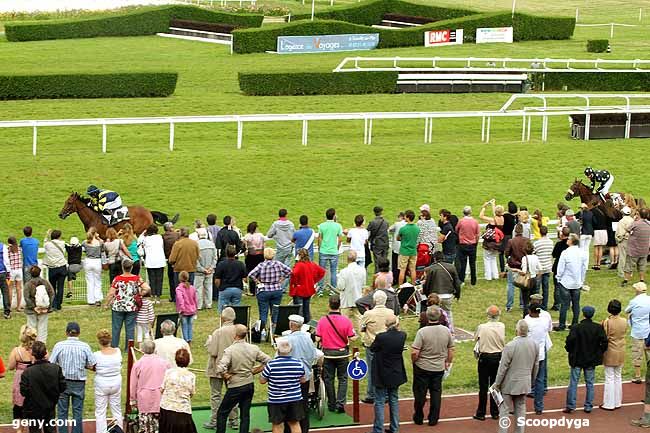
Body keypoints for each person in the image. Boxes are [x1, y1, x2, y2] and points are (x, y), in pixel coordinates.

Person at [215, 324, 272, 433]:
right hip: (249, 385)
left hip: (235, 386)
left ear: (235, 335)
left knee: (222, 413)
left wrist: (225, 375)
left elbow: (220, 368)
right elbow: (269, 360)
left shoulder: (230, 350)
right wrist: (255, 371)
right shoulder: (253, 348)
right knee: (245, 414)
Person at [50, 322, 96, 433]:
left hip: (62, 382)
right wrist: (83, 365)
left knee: (62, 411)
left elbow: (51, 363)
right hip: (79, 382)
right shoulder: (85, 346)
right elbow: (92, 365)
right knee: (78, 411)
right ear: (79, 333)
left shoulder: (59, 345)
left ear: (66, 332)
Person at [411, 306, 454, 426]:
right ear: (439, 316)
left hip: (423, 366)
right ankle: (433, 418)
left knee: (420, 393)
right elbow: (451, 348)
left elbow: (415, 351)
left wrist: (414, 361)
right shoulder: (446, 331)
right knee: (436, 393)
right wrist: (448, 362)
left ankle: (418, 416)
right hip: (438, 367)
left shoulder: (422, 332)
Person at [494, 320, 539, 433]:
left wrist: (497, 383)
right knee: (521, 409)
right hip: (524, 382)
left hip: (509, 384)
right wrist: (532, 380)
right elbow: (536, 365)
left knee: (504, 411)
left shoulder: (510, 346)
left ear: (516, 331)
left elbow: (502, 367)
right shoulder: (535, 344)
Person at [563, 306, 608, 413]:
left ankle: (571, 405)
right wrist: (599, 352)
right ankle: (588, 405)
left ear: (583, 314)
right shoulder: (597, 327)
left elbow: (569, 341)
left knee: (573, 382)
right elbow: (604, 342)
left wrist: (569, 350)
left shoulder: (576, 327)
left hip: (577, 359)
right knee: (590, 383)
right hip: (591, 359)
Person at [316, 295, 357, 413]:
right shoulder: (346, 320)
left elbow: (318, 339)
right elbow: (352, 337)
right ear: (340, 305)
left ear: (329, 305)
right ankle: (340, 403)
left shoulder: (323, 321)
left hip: (328, 353)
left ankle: (331, 403)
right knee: (343, 378)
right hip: (342, 353)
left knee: (328, 379)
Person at [260, 338, 306, 433]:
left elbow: (262, 381)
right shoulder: (298, 364)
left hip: (276, 400)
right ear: (290, 350)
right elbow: (303, 380)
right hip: (294, 399)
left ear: (277, 349)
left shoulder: (271, 365)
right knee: (294, 424)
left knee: (277, 425)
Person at [284, 314, 321, 433]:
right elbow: (313, 356)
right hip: (305, 376)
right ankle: (304, 429)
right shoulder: (308, 339)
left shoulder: (287, 340)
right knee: (304, 404)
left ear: (291, 325)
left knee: (289, 405)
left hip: (291, 379)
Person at [369, 316, 406, 433]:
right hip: (395, 373)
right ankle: (394, 428)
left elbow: (372, 348)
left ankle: (378, 429)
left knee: (379, 401)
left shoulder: (381, 337)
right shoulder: (402, 335)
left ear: (386, 325)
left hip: (382, 373)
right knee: (393, 399)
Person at [20, 341, 66, 433]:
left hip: (33, 407)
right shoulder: (55, 369)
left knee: (35, 430)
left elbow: (23, 391)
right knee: (51, 429)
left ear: (32, 354)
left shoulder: (28, 372)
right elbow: (63, 386)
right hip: (50, 405)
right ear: (46, 353)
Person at [360, 290, 396, 405]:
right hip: (387, 345)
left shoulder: (368, 314)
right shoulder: (390, 312)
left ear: (374, 301)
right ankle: (384, 394)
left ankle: (371, 394)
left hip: (372, 344)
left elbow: (361, 327)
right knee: (385, 369)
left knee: (372, 370)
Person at [205, 307, 238, 430]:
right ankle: (234, 420)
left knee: (216, 395)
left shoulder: (218, 332)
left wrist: (209, 342)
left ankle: (215, 420)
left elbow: (213, 352)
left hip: (217, 367)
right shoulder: (238, 331)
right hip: (233, 367)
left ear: (222, 318)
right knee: (233, 394)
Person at [106, 259, 150, 349]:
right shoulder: (136, 278)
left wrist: (107, 303)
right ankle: (129, 348)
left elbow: (111, 293)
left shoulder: (117, 279)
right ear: (132, 267)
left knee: (116, 328)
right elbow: (147, 288)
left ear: (122, 267)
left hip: (118, 307)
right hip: (131, 306)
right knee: (130, 328)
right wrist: (140, 294)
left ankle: (114, 346)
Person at [130, 339, 171, 433]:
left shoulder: (138, 364)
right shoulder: (165, 363)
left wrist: (132, 400)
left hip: (144, 399)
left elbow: (133, 385)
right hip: (160, 398)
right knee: (160, 426)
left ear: (142, 350)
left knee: (145, 427)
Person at [472, 305, 505, 421]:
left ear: (488, 315)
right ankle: (495, 412)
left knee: (483, 386)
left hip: (485, 358)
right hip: (498, 357)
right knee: (495, 386)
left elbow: (475, 338)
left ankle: (481, 412)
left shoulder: (482, 327)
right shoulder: (502, 326)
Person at [249, 248, 292, 334]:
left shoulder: (261, 265)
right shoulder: (278, 264)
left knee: (263, 312)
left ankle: (262, 331)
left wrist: (258, 281)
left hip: (264, 289)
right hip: (276, 289)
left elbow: (251, 274)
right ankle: (274, 330)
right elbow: (289, 271)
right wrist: (282, 278)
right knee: (275, 311)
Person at [554, 234, 588, 331]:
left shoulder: (565, 253)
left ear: (572, 241)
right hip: (576, 282)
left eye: (569, 239)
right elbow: (584, 268)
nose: (567, 240)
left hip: (566, 281)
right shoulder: (582, 253)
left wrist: (558, 277)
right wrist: (581, 280)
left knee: (564, 304)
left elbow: (561, 267)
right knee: (576, 304)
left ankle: (561, 324)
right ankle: (575, 323)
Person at [159, 348, 197, 433]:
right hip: (182, 409)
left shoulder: (168, 372)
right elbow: (192, 393)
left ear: (176, 360)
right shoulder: (191, 376)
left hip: (167, 409)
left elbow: (161, 389)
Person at [421, 251, 460, 331]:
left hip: (435, 296)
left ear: (434, 259)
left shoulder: (429, 269)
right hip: (448, 295)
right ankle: (450, 330)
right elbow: (456, 282)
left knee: (433, 314)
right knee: (448, 313)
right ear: (443, 257)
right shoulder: (451, 267)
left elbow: (427, 284)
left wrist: (426, 294)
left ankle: (432, 330)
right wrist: (458, 294)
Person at [93, 329, 122, 433]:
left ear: (99, 341)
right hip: (115, 383)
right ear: (110, 340)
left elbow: (93, 366)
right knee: (117, 410)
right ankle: (119, 430)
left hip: (102, 384)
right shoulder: (118, 352)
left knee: (100, 411)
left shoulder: (96, 355)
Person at [524, 304, 552, 415]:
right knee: (540, 380)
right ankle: (539, 407)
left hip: (528, 353)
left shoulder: (526, 320)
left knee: (523, 380)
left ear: (530, 311)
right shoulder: (544, 320)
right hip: (540, 354)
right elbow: (549, 330)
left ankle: (519, 406)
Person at [8, 325, 36, 432]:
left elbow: (10, 367)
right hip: (33, 377)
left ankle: (19, 430)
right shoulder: (37, 350)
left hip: (20, 378)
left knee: (18, 406)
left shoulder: (16, 351)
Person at [601, 299, 627, 410]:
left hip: (610, 351)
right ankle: (617, 402)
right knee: (618, 377)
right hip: (621, 350)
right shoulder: (624, 321)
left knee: (609, 378)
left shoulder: (607, 322)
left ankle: (609, 403)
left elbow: (604, 336)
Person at [289, 248, 325, 323]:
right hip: (308, 289)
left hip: (299, 290)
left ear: (299, 256)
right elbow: (322, 272)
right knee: (306, 309)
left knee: (299, 311)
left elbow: (294, 274)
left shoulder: (299, 265)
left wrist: (295, 284)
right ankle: (307, 325)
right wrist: (313, 281)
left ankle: (300, 326)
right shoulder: (312, 264)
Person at [624, 282, 650, 383]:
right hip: (648, 330)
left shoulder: (634, 301)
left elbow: (627, 311)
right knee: (648, 352)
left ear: (637, 290)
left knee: (637, 353)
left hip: (638, 331)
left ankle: (638, 375)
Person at [23, 266, 54, 343]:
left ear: (30, 274)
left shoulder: (28, 284)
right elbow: (52, 294)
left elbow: (26, 297)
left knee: (31, 327)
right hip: (44, 308)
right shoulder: (45, 282)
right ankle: (41, 344)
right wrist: (48, 307)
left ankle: (31, 343)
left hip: (31, 310)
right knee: (42, 327)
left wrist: (33, 307)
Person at [267, 208, 296, 290]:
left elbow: (269, 235)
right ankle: (284, 287)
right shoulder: (291, 224)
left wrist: (276, 235)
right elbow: (294, 235)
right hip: (289, 247)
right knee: (287, 267)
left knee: (278, 268)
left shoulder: (275, 224)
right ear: (286, 215)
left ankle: (279, 286)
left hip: (280, 248)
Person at [317, 208, 344, 295]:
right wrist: (337, 248)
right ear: (334, 216)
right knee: (333, 271)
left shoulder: (322, 225)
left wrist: (320, 247)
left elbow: (320, 238)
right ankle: (333, 289)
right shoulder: (338, 226)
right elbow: (340, 239)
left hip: (324, 250)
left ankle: (320, 289)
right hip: (333, 251)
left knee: (321, 271)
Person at [336, 251, 366, 325]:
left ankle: (344, 334)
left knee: (344, 319)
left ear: (347, 259)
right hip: (358, 297)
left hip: (346, 299)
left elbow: (340, 287)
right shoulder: (362, 270)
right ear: (356, 259)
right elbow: (363, 284)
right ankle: (362, 335)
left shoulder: (343, 272)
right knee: (359, 318)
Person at [622, 208, 650, 287]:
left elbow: (627, 229)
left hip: (634, 249)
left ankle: (626, 280)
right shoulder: (649, 224)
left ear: (639, 215)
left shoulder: (636, 223)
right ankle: (641, 279)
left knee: (629, 265)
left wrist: (634, 220)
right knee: (642, 265)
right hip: (645, 249)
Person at [140, 224, 166, 305]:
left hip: (151, 261)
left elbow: (139, 241)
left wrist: (143, 234)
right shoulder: (159, 237)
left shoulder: (146, 239)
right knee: (159, 279)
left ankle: (153, 295)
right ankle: (158, 297)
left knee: (152, 279)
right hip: (159, 260)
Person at [504, 223, 528, 312]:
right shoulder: (526, 240)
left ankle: (509, 305)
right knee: (523, 285)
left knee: (511, 285)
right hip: (523, 265)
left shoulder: (511, 241)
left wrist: (510, 257)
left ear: (515, 231)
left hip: (513, 266)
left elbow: (506, 253)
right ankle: (522, 303)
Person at [515, 242, 542, 316]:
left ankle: (526, 315)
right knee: (534, 299)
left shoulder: (524, 258)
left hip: (527, 280)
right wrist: (538, 277)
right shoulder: (536, 257)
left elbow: (524, 271)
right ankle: (535, 313)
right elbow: (540, 269)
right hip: (534, 278)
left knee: (526, 300)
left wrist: (517, 271)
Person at [43, 229, 67, 312]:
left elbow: (45, 242)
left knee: (52, 287)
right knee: (61, 287)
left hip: (52, 268)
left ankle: (54, 304)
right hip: (62, 267)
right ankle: (59, 304)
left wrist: (47, 235)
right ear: (59, 236)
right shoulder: (62, 243)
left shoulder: (48, 244)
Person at [456, 206, 480, 286]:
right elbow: (477, 234)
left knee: (463, 263)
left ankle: (461, 280)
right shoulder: (475, 221)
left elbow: (456, 230)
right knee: (472, 263)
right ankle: (473, 281)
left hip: (463, 244)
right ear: (470, 212)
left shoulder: (461, 221)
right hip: (472, 244)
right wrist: (476, 242)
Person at [533, 226, 554, 310]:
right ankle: (544, 305)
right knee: (546, 288)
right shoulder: (551, 242)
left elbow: (534, 253)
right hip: (548, 266)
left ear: (540, 232)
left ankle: (537, 305)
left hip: (539, 268)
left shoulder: (537, 243)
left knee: (537, 288)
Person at [551, 226, 571, 311]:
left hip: (558, 265)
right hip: (568, 266)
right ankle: (567, 303)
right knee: (568, 286)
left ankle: (557, 304)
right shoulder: (570, 245)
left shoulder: (559, 244)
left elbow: (554, 254)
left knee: (557, 286)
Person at [82, 228, 104, 306]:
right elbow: (103, 249)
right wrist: (98, 237)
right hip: (97, 261)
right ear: (95, 233)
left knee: (89, 281)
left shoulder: (85, 242)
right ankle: (97, 299)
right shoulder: (100, 242)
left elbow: (84, 250)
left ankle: (90, 300)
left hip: (88, 261)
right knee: (97, 281)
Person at [397, 210, 419, 285]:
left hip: (404, 251)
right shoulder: (417, 228)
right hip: (413, 251)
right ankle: (413, 285)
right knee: (413, 270)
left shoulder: (403, 229)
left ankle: (400, 286)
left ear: (407, 217)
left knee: (402, 270)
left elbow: (398, 238)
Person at [175, 271, 198, 344]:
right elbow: (195, 299)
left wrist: (181, 309)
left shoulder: (179, 288)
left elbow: (180, 299)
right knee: (190, 325)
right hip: (192, 309)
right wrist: (196, 308)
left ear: (179, 278)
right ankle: (190, 338)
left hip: (184, 310)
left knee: (184, 326)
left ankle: (186, 339)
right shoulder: (192, 288)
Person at [244, 221, 266, 294]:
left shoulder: (247, 236)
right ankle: (260, 288)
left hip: (250, 257)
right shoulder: (261, 235)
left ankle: (252, 290)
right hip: (260, 256)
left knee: (251, 272)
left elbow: (245, 248)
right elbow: (264, 246)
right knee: (260, 273)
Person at [163, 222, 181, 301]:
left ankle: (173, 296)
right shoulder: (177, 235)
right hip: (178, 259)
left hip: (169, 259)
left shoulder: (163, 237)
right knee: (178, 278)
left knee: (171, 278)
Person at [615, 206, 635, 280]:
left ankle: (622, 272)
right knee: (630, 257)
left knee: (623, 257)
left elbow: (620, 233)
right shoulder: (633, 220)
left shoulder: (622, 221)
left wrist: (618, 239)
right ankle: (630, 272)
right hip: (632, 240)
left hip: (624, 240)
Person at [388, 212, 406, 286]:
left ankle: (395, 278)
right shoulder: (408, 224)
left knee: (395, 264)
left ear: (400, 217)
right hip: (404, 248)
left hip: (396, 248)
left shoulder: (397, 224)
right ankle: (403, 279)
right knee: (403, 265)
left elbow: (389, 229)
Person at [7, 236, 24, 312]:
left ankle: (9, 306)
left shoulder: (8, 250)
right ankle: (18, 306)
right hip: (19, 269)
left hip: (12, 270)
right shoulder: (19, 249)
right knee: (19, 288)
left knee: (10, 289)